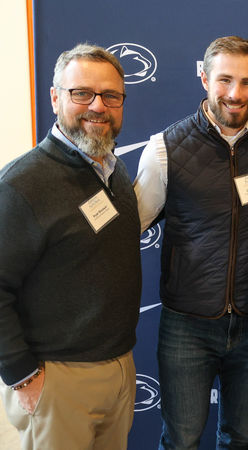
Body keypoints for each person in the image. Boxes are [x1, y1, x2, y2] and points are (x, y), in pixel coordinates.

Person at [133, 36, 248, 449]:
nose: (235, 93)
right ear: (204, 77)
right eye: (225, 80)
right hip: (186, 326)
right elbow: (126, 231)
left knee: (241, 437)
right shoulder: (164, 150)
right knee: (182, 439)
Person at [0, 43, 140, 449]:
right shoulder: (21, 185)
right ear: (55, 97)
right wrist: (21, 374)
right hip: (57, 379)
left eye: (111, 96)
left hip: (118, 369)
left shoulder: (114, 172)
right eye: (82, 93)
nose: (98, 106)